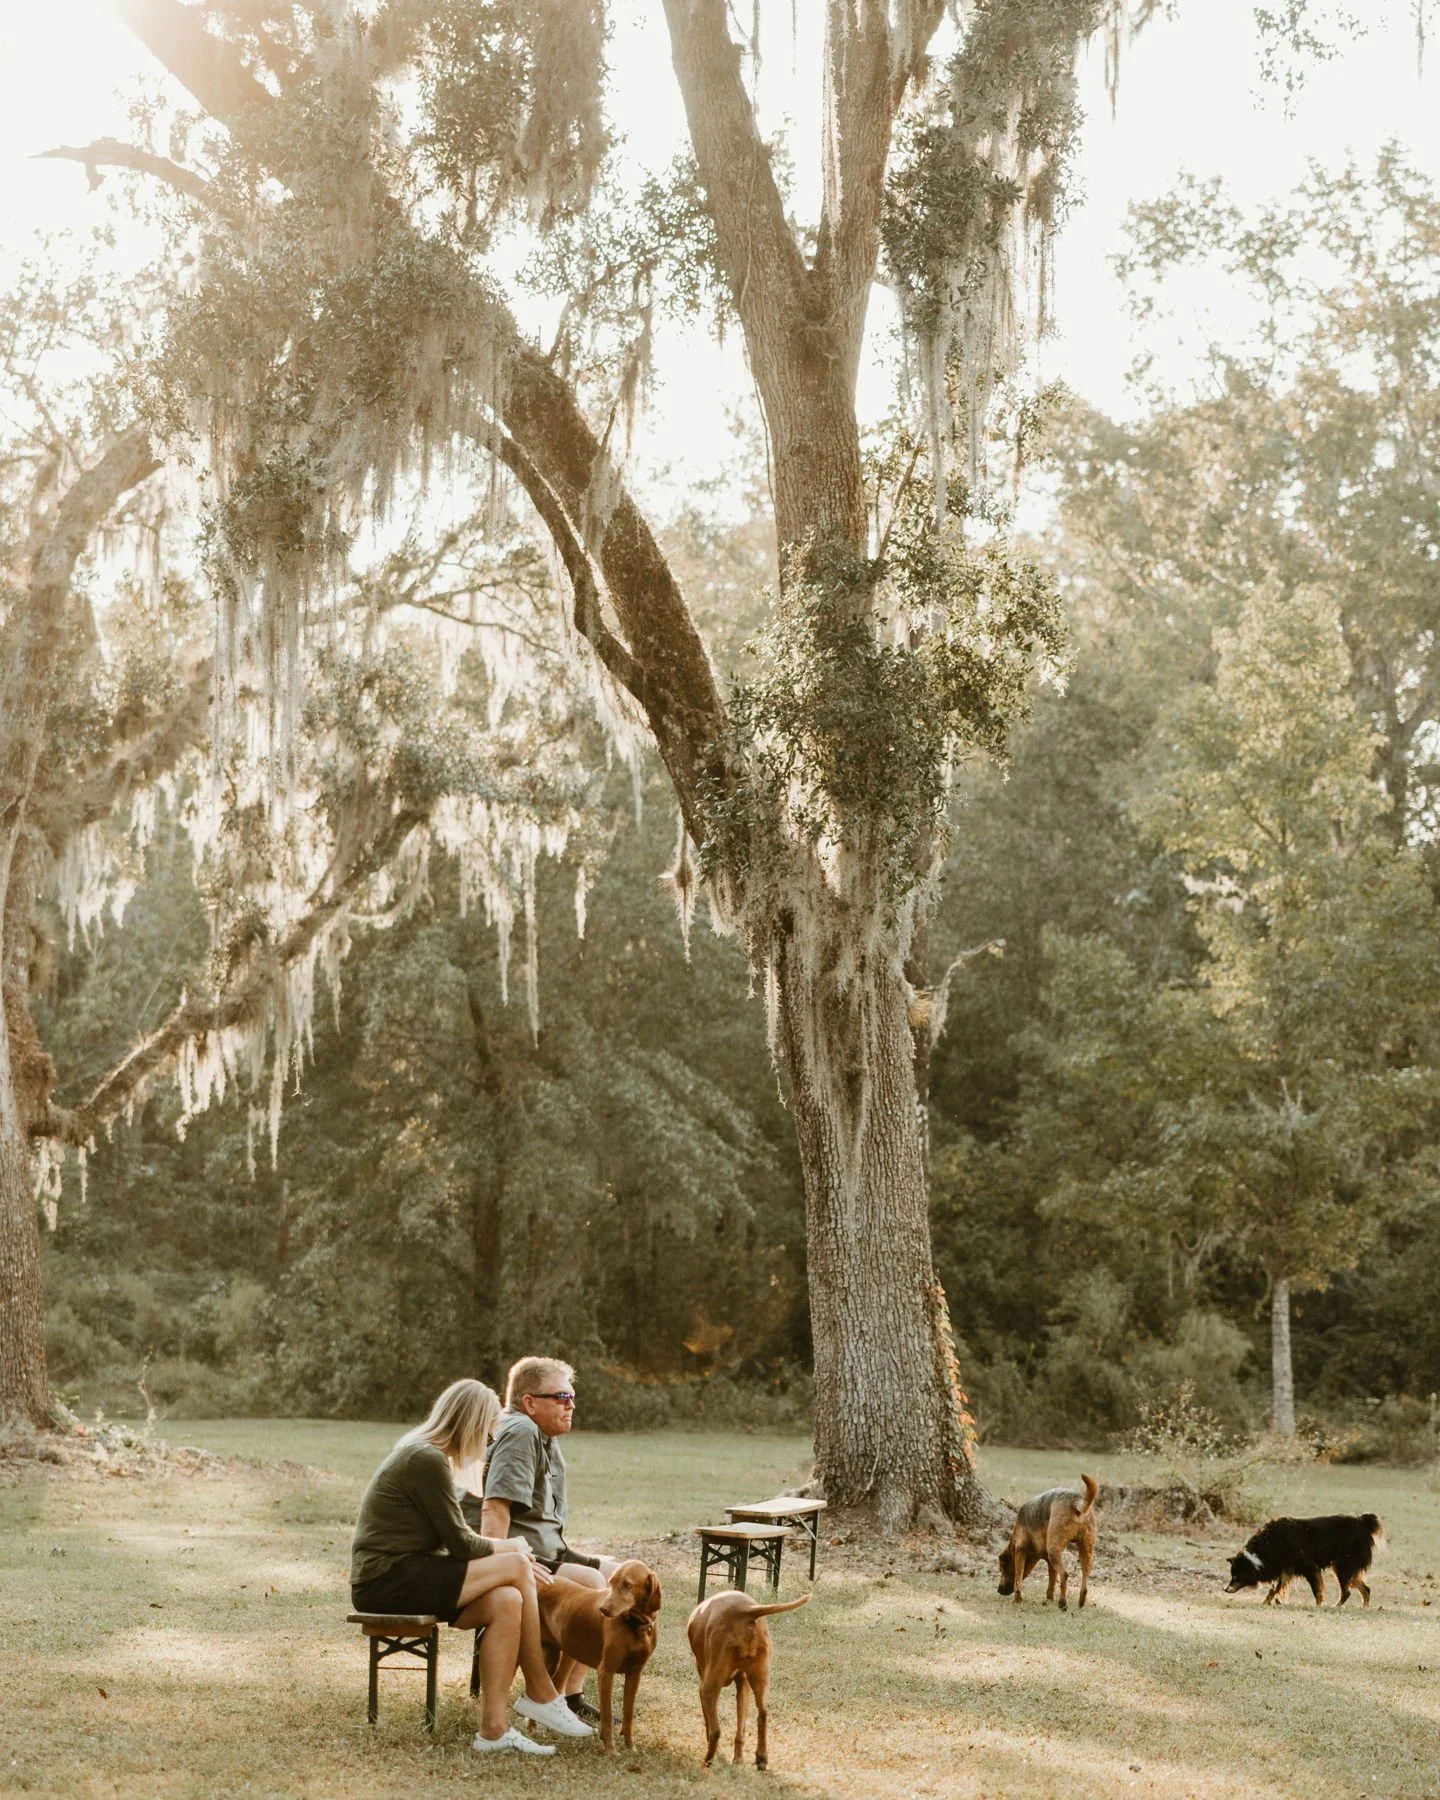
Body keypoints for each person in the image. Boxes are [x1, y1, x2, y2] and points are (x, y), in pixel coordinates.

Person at [350, 1377, 592, 1755]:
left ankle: (493, 1731)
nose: (490, 1442)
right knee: (514, 1564)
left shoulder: (429, 1455)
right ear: (471, 1423)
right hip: (387, 1579)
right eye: (489, 1432)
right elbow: (461, 1543)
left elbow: (456, 1539)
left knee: (508, 1601)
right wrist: (511, 1547)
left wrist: (509, 1554)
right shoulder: (424, 1459)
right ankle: (540, 1691)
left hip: (411, 1573)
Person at [478, 1356, 610, 1723]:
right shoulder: (521, 1431)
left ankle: (567, 1694)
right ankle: (552, 1697)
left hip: (549, 1551)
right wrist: (498, 1569)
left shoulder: (541, 1435)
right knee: (594, 1589)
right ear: (530, 1402)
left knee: (621, 1574)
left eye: (572, 1397)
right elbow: (495, 1508)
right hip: (524, 1557)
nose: (571, 1404)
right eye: (561, 1397)